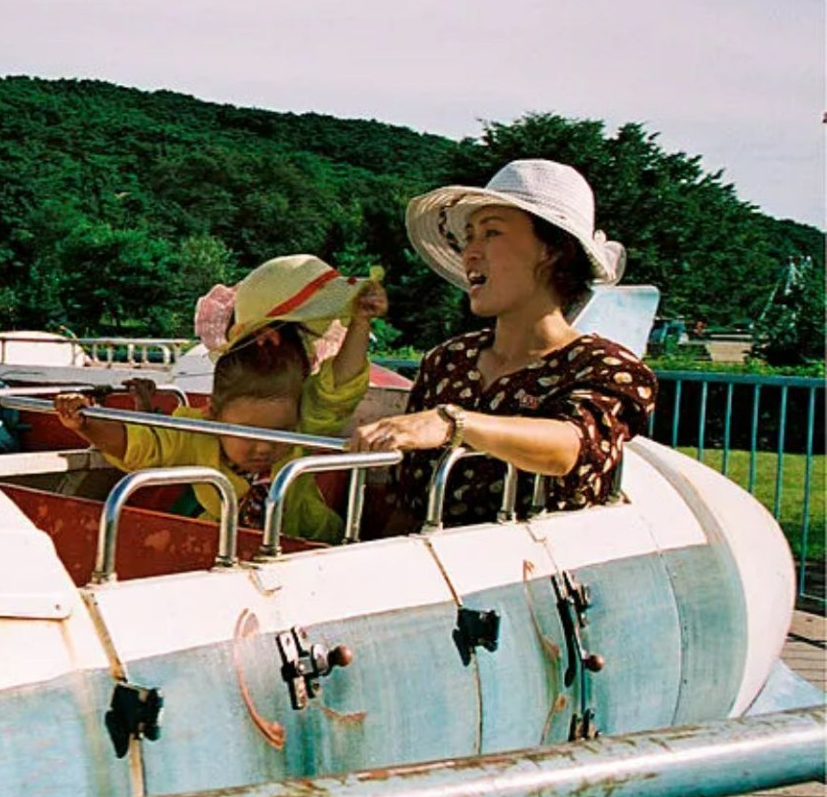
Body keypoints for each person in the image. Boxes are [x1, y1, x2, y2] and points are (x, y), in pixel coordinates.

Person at [348, 160, 657, 528]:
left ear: (552, 250)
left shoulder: (608, 368)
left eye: (491, 233)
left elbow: (571, 445)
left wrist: (453, 424)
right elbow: (408, 502)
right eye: (468, 236)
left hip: (536, 574)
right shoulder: (448, 360)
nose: (470, 253)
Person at [55, 254, 387, 543]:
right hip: (220, 542)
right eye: (248, 432)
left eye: (279, 432)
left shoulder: (306, 416)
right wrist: (85, 422)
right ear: (214, 414)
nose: (264, 448)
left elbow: (339, 387)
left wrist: (360, 322)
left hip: (306, 541)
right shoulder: (196, 432)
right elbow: (142, 444)